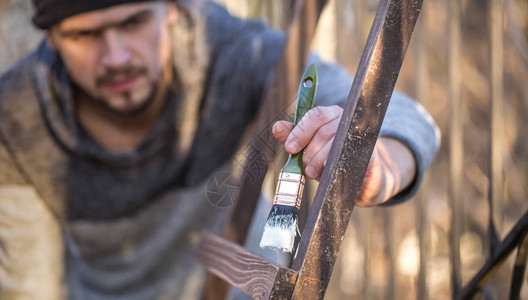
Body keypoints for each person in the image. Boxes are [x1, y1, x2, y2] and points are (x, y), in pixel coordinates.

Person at [0, 0, 440, 299]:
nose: (115, 57)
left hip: (244, 284)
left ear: (171, 8)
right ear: (52, 39)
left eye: (133, 22)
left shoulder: (229, 50)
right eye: (84, 35)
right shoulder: (17, 118)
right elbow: (31, 283)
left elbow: (395, 111)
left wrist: (378, 159)